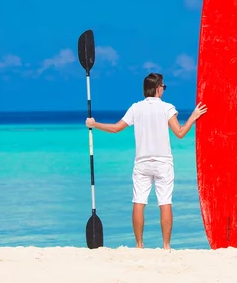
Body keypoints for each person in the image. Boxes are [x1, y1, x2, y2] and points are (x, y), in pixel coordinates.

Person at [85, 72, 207, 250]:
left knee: (139, 202)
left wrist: (94, 124)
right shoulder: (167, 108)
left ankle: (139, 244)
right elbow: (180, 133)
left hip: (142, 163)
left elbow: (116, 128)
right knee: (165, 202)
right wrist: (194, 117)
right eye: (163, 87)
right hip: (163, 162)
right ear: (158, 88)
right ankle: (166, 246)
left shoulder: (136, 108)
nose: (163, 90)